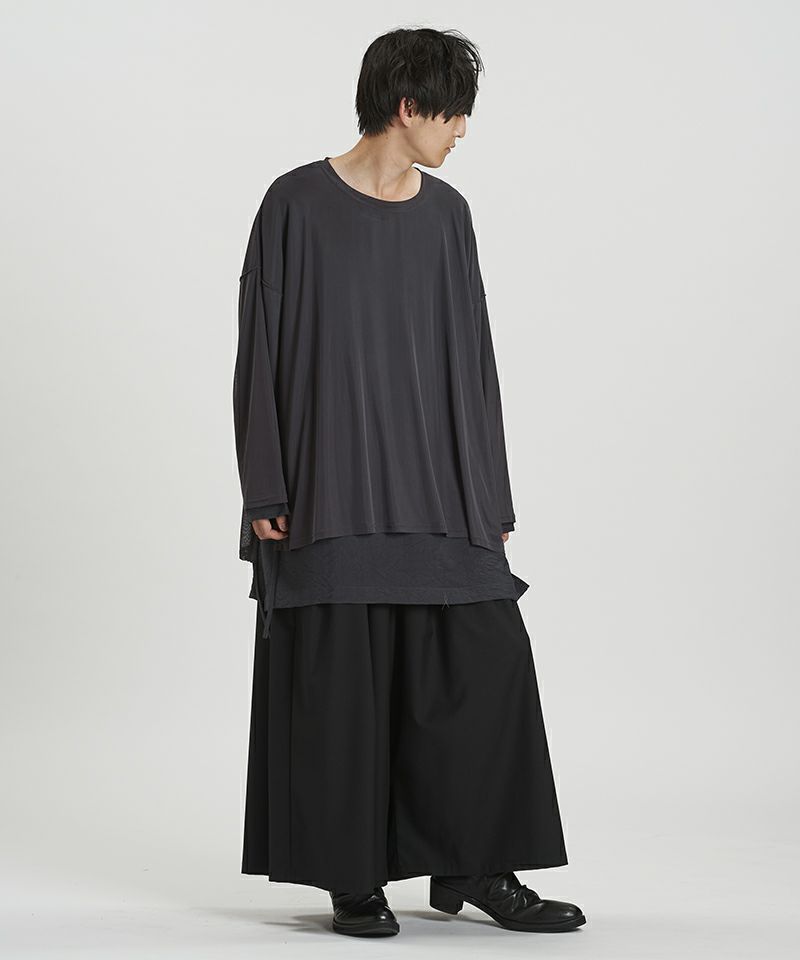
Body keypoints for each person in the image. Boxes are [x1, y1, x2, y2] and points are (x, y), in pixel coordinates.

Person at [233, 26, 586, 938]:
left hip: (439, 492)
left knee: (485, 671)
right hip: (329, 492)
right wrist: (266, 487)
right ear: (408, 107)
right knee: (341, 694)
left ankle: (478, 866)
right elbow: (259, 351)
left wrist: (491, 497)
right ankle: (353, 877)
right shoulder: (294, 204)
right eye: (454, 112)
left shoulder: (447, 216)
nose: (462, 130)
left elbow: (473, 359)